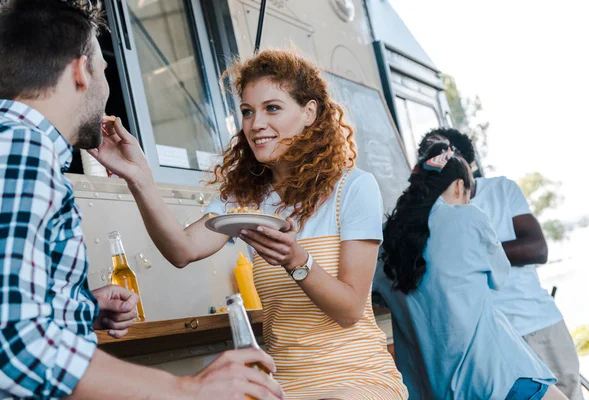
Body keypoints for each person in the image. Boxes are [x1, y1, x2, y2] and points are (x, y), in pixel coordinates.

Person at [0, 1, 284, 399]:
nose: (107, 85)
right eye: (103, 69)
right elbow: (14, 342)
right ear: (82, 71)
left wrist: (81, 307)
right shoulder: (21, 149)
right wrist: (187, 389)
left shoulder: (20, 147)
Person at [91, 48, 408, 399]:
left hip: (355, 378)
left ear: (309, 112)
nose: (256, 124)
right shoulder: (247, 199)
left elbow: (349, 311)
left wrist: (296, 261)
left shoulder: (353, 188)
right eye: (247, 111)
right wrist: (139, 176)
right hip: (281, 383)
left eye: (272, 108)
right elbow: (181, 251)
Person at [374, 142, 565, 399]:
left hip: (434, 389)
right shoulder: (467, 218)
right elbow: (499, 276)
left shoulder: (382, 241)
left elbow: (378, 296)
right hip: (495, 378)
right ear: (458, 186)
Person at [413, 128, 583, 400]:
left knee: (567, 392)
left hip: (535, 322)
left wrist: (467, 253)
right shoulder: (429, 215)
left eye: (446, 152)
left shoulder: (501, 190)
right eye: (431, 155)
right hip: (486, 347)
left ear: (465, 160)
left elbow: (537, 248)